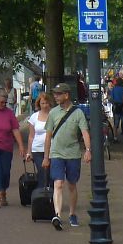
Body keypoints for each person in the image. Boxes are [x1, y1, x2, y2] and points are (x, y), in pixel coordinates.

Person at [42, 82, 91, 230]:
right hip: (56, 153)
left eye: (58, 94)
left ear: (66, 95)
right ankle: (57, 214)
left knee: (71, 185)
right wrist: (46, 157)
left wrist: (88, 150)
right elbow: (48, 136)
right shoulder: (53, 113)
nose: (55, 97)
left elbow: (85, 133)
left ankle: (72, 213)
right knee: (58, 183)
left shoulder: (78, 113)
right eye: (55, 94)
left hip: (73, 154)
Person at [26, 91, 54, 188]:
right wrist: (28, 152)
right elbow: (31, 136)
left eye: (46, 103)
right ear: (39, 104)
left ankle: (53, 196)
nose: (45, 105)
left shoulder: (54, 115)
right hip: (37, 149)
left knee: (51, 174)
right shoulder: (34, 117)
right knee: (42, 172)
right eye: (42, 103)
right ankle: (41, 195)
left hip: (52, 149)